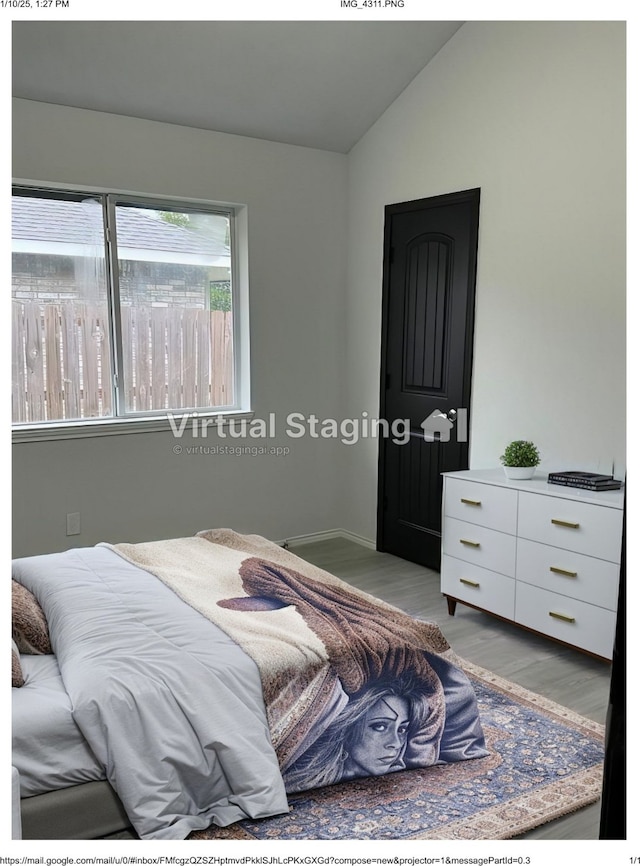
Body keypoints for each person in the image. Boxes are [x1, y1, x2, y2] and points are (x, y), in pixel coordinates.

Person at [282, 670, 441, 792]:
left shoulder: (407, 774)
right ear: (348, 728)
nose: (396, 743)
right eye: (379, 726)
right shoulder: (299, 782)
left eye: (402, 729)